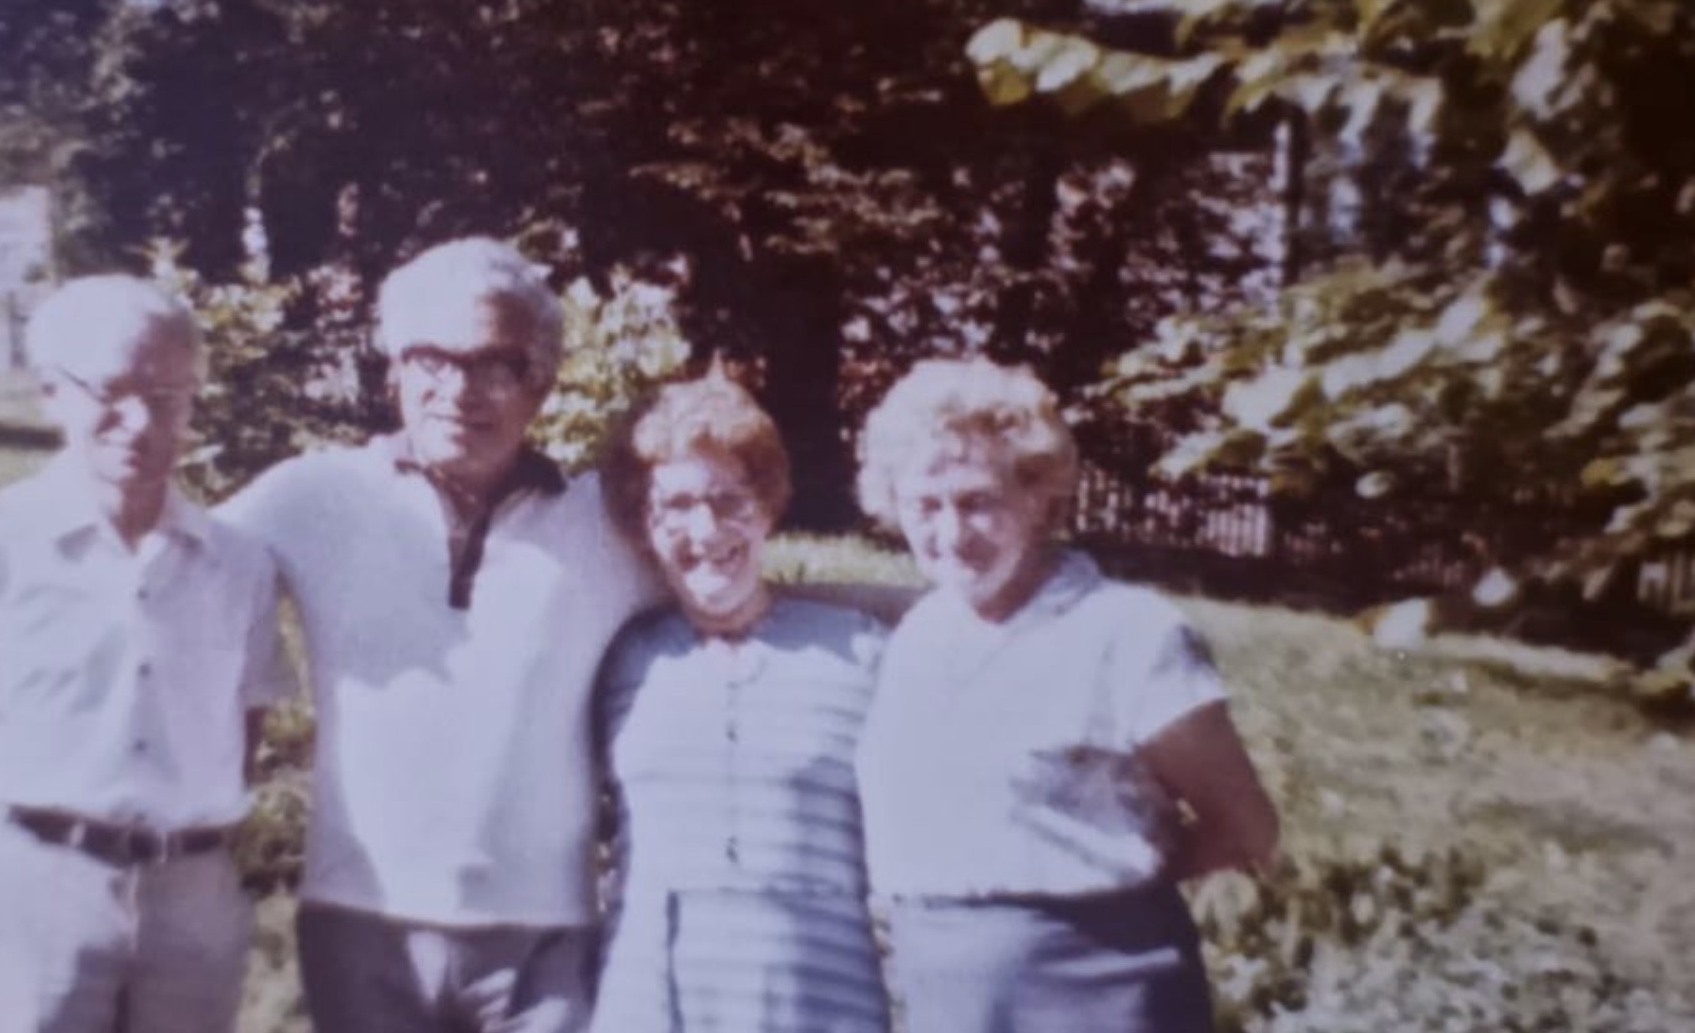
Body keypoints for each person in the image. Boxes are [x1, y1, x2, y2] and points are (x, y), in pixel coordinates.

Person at [216, 237, 664, 1033]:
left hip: (545, 939)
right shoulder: (315, 497)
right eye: (432, 359)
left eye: (498, 363)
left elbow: (752, 594)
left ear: (544, 382)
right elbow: (165, 562)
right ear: (394, 371)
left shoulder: (602, 524)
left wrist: (935, 603)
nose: (460, 390)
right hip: (362, 922)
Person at [0, 275, 290, 1033]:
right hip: (37, 883)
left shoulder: (237, 564)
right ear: (50, 394)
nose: (139, 422)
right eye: (113, 391)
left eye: (169, 398)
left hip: (192, 898)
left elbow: (247, 734)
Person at [852, 358, 1279, 1033]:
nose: (951, 534)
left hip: (1103, 990)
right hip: (948, 995)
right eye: (925, 507)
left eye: (976, 502)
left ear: (1040, 498)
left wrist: (1110, 889)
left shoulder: (1129, 635)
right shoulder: (919, 636)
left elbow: (1247, 826)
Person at [588, 373, 890, 1033]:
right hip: (648, 1000)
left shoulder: (861, 652)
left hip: (819, 996)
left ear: (769, 506)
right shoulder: (617, 660)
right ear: (644, 521)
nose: (707, 527)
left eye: (730, 499)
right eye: (676, 505)